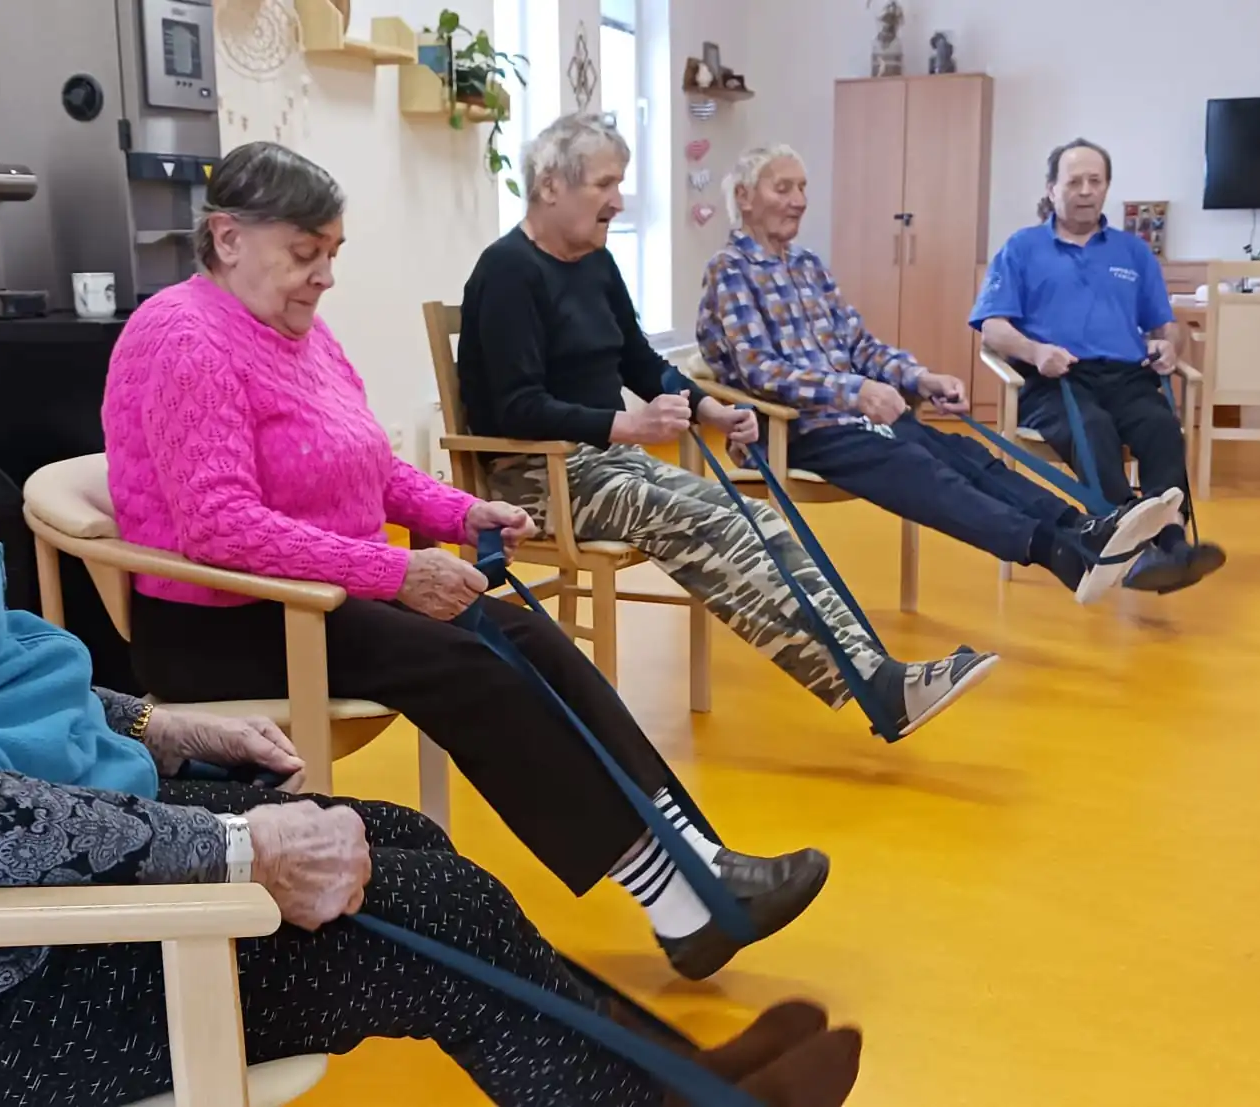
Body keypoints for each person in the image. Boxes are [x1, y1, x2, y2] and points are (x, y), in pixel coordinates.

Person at [0, 4, 862, 1105]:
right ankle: (672, 1085)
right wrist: (230, 858)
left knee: (401, 838)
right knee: (417, 907)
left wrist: (148, 722)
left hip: (10, 845)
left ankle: (661, 1035)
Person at [106, 140, 830, 985]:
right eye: (305, 254)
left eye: (332, 254)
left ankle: (698, 856)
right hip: (225, 620)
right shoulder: (181, 335)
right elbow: (219, 527)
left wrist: (457, 511)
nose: (324, 277)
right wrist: (396, 572)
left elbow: (372, 467)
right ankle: (677, 899)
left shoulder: (301, 334)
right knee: (473, 665)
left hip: (319, 593)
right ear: (229, 238)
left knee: (531, 638)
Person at [458, 113, 996, 737]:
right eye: (605, 184)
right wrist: (627, 426)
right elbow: (514, 407)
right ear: (551, 185)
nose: (619, 201)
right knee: (713, 521)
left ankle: (879, 679)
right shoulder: (507, 271)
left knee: (757, 517)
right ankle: (875, 685)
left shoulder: (596, 263)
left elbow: (642, 362)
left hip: (604, 465)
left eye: (620, 183)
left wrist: (707, 408)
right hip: (533, 479)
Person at [697, 144, 1180, 604]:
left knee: (971, 457)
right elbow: (761, 371)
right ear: (744, 197)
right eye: (783, 188)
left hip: (860, 418)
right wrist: (855, 391)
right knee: (923, 469)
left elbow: (860, 346)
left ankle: (1082, 529)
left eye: (802, 187)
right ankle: (1056, 551)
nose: (799, 200)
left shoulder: (807, 266)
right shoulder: (730, 270)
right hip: (799, 430)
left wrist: (919, 379)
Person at [970, 138, 1227, 593]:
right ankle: (1129, 542)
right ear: (1052, 189)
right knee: (1092, 429)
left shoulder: (1133, 252)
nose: (1086, 190)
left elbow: (1167, 326)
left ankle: (1172, 543)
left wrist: (1169, 347)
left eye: (1095, 181)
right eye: (1074, 181)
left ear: (1107, 187)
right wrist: (1035, 352)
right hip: (1056, 380)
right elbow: (992, 327)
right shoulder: (1022, 248)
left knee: (1162, 429)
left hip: (1127, 377)